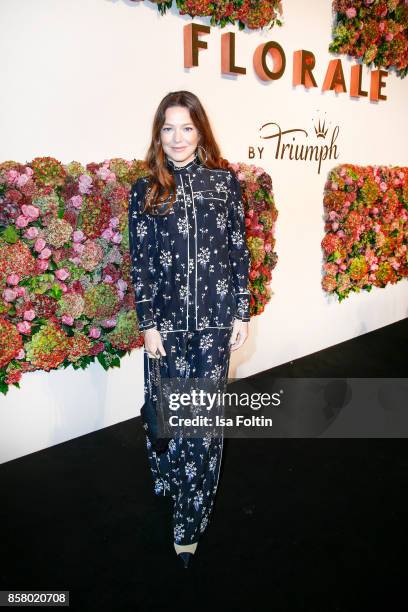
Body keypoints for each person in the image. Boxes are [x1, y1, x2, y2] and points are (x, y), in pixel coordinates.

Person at [128, 90, 250, 568]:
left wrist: (242, 311)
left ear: (200, 131)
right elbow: (140, 263)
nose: (177, 138)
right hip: (167, 327)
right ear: (158, 133)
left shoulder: (224, 183)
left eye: (187, 127)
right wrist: (148, 323)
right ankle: (164, 474)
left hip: (216, 322)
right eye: (168, 128)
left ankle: (190, 517)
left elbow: (238, 250)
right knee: (166, 411)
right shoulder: (146, 188)